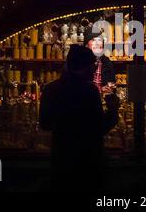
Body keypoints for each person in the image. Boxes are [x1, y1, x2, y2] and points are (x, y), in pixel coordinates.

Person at [39, 45, 119, 191]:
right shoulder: (89, 91)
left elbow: (45, 124)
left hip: (61, 160)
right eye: (92, 65)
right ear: (85, 67)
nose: (94, 69)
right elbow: (99, 128)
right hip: (88, 163)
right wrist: (113, 110)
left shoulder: (51, 89)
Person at [84, 27, 116, 93]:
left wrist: (109, 90)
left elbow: (112, 89)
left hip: (101, 102)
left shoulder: (107, 63)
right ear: (86, 45)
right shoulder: (79, 64)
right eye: (93, 40)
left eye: (100, 40)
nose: (97, 43)